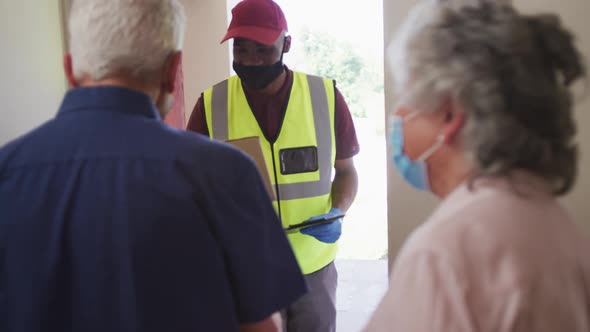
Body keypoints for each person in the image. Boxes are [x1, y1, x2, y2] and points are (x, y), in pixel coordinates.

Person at [0, 1, 306, 331]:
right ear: (173, 70)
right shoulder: (226, 173)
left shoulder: (7, 172)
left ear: (70, 68)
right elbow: (263, 328)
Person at [364, 1, 590, 331]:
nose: (398, 117)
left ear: (450, 115)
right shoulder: (557, 225)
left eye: (406, 97)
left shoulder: (445, 254)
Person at [186, 0, 359, 331]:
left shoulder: (325, 97)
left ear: (286, 45)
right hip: (247, 267)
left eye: (263, 50)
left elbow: (347, 171)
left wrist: (338, 210)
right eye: (242, 49)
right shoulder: (211, 106)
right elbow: (193, 185)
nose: (251, 60)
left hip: (313, 266)